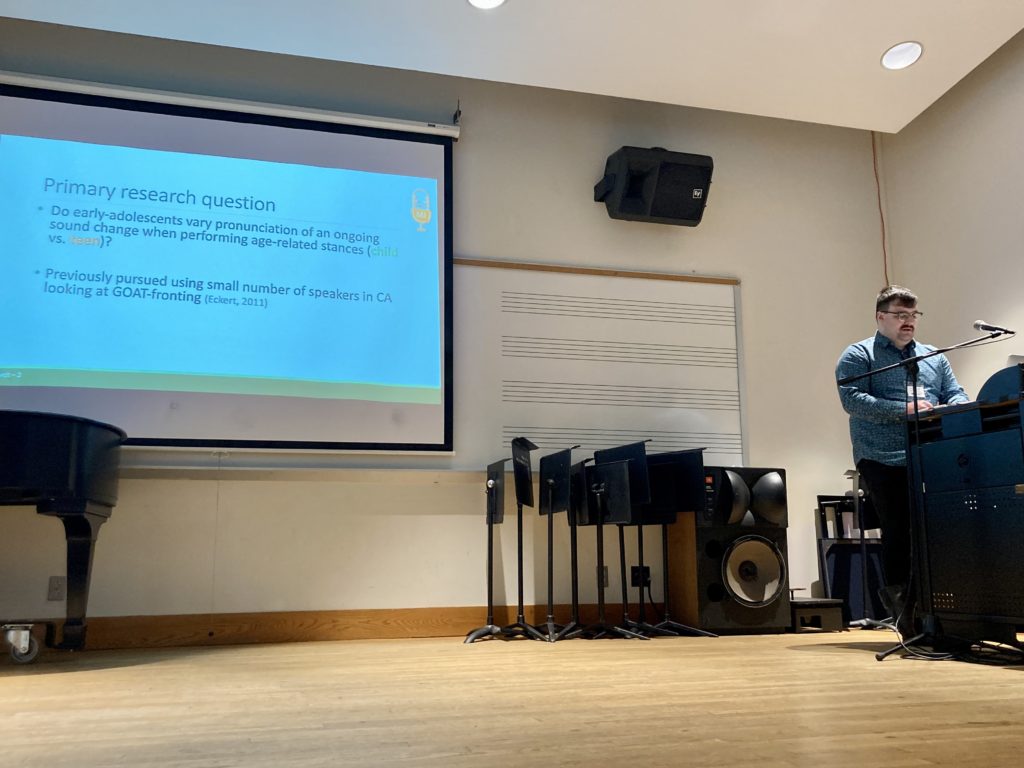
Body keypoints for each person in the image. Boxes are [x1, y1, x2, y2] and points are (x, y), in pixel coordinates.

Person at [835, 285, 969, 633]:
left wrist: (955, 407)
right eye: (900, 315)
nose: (908, 322)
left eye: (913, 316)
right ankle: (906, 616)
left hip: (930, 455)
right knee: (900, 533)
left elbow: (954, 392)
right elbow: (853, 401)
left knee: (937, 532)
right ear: (881, 317)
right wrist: (904, 410)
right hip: (882, 457)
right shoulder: (858, 355)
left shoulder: (933, 356)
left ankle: (943, 611)